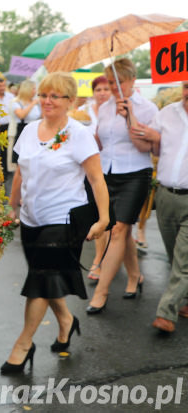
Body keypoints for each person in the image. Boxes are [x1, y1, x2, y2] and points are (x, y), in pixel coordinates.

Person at [3, 73, 110, 373]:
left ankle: (23, 344)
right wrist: (12, 207)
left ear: (70, 101)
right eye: (43, 94)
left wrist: (104, 219)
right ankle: (66, 319)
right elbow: (21, 174)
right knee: (45, 278)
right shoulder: (29, 131)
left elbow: (96, 178)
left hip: (62, 219)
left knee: (41, 278)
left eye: (55, 96)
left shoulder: (80, 133)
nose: (47, 101)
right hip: (30, 219)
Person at [86, 58, 158, 314]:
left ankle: (101, 292)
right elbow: (100, 142)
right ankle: (134, 275)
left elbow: (146, 147)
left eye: (120, 82)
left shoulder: (147, 107)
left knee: (117, 230)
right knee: (121, 230)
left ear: (131, 80)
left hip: (135, 174)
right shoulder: (104, 108)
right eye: (111, 82)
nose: (115, 87)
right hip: (107, 174)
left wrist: (130, 119)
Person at [132, 81, 188, 333]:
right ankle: (184, 299)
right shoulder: (166, 113)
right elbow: (147, 147)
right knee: (173, 254)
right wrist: (146, 134)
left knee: (183, 260)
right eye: (186, 86)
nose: (187, 91)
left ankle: (166, 313)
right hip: (165, 195)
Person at [82, 75, 113, 281]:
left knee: (110, 219)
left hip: (111, 168)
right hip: (89, 170)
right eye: (98, 89)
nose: (102, 93)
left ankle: (103, 260)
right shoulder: (83, 112)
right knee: (97, 215)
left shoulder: (116, 110)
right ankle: (101, 260)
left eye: (105, 89)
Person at [9, 79, 40, 165]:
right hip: (22, 131)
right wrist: (33, 103)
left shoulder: (36, 102)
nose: (35, 91)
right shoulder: (16, 102)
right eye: (33, 88)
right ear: (28, 89)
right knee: (21, 159)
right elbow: (21, 115)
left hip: (35, 132)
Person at [0, 77, 15, 178]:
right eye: (0, 86)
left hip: (7, 125)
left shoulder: (10, 97)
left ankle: (6, 171)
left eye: (3, 86)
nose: (2, 88)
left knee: (6, 148)